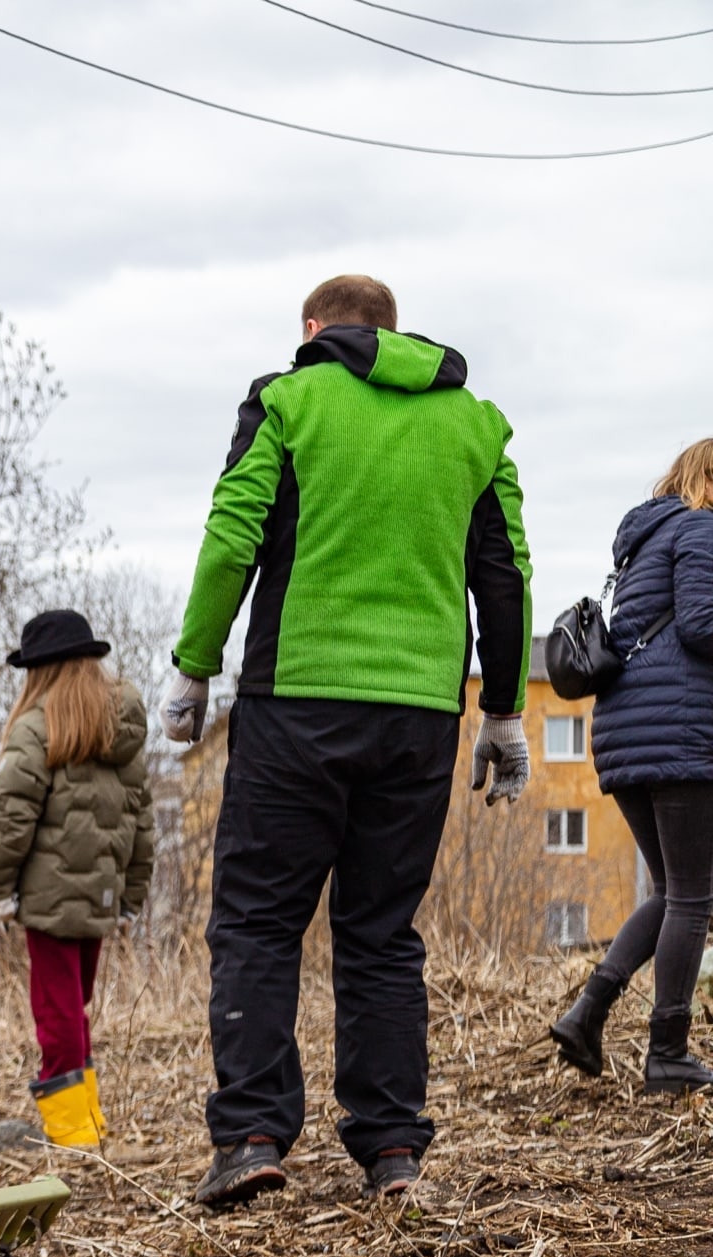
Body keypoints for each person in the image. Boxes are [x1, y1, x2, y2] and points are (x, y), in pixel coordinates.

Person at [164, 274, 531, 1209]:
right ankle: (394, 1150)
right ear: (394, 333)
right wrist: (502, 709)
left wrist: (195, 663)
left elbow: (232, 535)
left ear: (313, 328)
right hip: (419, 716)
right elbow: (505, 575)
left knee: (258, 919)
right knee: (380, 933)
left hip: (297, 703)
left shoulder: (289, 400)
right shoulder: (476, 425)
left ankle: (251, 1136)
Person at [550, 440, 713, 1090]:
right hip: (679, 732)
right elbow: (701, 625)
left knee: (673, 890)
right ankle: (667, 1050)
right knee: (694, 895)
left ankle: (586, 1013)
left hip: (626, 731)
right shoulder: (702, 528)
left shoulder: (644, 542)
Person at [0, 611, 154, 1148]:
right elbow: (142, 824)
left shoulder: (36, 729)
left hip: (49, 900)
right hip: (102, 896)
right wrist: (130, 898)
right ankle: (88, 1120)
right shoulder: (120, 731)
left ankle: (73, 1133)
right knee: (72, 1009)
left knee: (56, 1014)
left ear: (41, 672)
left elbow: (13, 819)